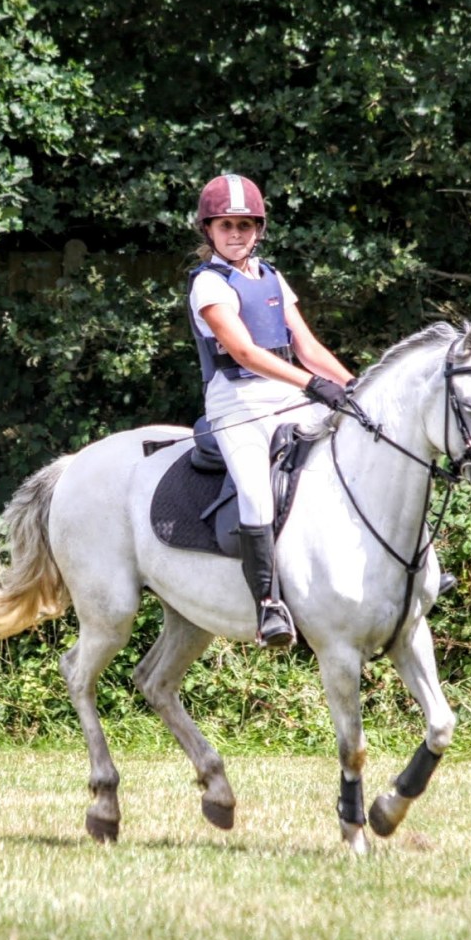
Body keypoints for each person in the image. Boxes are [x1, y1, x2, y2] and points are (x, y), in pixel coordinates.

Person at [188, 173, 357, 648]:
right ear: (210, 231)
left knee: (352, 452)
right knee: (258, 495)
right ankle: (267, 606)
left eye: (245, 224)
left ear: (258, 229)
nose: (236, 233)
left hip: (286, 395)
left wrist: (353, 386)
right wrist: (312, 385)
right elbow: (242, 352)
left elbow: (307, 346)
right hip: (236, 402)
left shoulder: (272, 276)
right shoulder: (208, 284)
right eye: (226, 226)